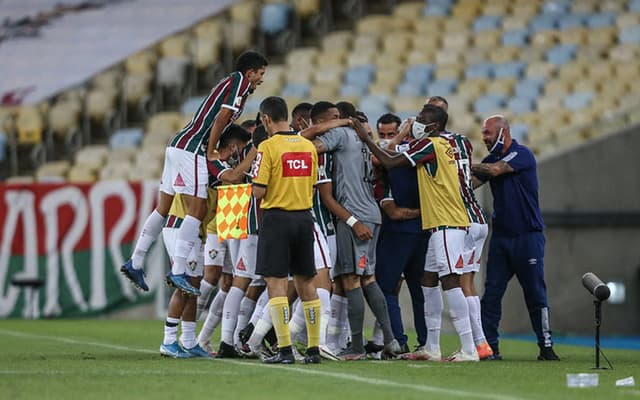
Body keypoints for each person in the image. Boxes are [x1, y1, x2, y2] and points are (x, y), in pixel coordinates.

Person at [121, 51, 268, 295]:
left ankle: (136, 262)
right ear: (250, 72)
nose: (262, 79)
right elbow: (221, 119)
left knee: (163, 207)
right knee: (198, 209)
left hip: (177, 144)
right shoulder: (239, 83)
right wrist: (211, 150)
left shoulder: (233, 84)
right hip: (192, 148)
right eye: (261, 73)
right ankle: (178, 269)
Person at [353, 104, 479, 362]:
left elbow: (387, 160)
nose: (415, 122)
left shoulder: (429, 144)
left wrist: (366, 139)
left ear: (432, 126)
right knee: (428, 281)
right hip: (437, 224)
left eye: (420, 119)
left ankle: (469, 348)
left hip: (447, 222)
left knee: (450, 281)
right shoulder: (455, 141)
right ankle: (431, 346)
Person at [310, 102, 401, 360]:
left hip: (355, 216)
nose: (335, 121)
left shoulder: (341, 133)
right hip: (371, 212)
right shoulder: (364, 137)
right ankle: (391, 340)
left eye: (338, 117)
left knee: (351, 279)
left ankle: (358, 346)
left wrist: (320, 129)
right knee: (368, 278)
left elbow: (309, 145)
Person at [471, 115, 559, 361]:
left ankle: (546, 346)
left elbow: (494, 170)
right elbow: (470, 185)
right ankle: (490, 348)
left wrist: (461, 164)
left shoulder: (522, 154)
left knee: (535, 293)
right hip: (501, 238)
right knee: (491, 295)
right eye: (484, 134)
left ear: (503, 132)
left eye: (488, 133)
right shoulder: (489, 160)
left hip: (528, 237)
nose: (484, 139)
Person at [252, 96, 321, 364]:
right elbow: (313, 185)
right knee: (307, 283)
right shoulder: (308, 146)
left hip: (277, 219)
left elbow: (259, 191)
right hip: (304, 218)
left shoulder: (268, 147)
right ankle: (314, 350)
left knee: (276, 284)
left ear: (266, 119)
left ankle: (284, 350)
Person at [426, 96, 494, 360]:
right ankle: (480, 343)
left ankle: (476, 344)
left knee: (457, 281)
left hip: (458, 219)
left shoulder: (433, 145)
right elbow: (478, 172)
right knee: (467, 282)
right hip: (476, 217)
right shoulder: (462, 142)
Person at [372, 112, 429, 354]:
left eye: (391, 134)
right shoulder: (417, 159)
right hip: (421, 231)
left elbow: (394, 212)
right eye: (381, 135)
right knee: (419, 289)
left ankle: (398, 340)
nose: (385, 140)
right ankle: (427, 341)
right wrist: (425, 212)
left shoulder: (393, 162)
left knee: (387, 287)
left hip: (398, 234)